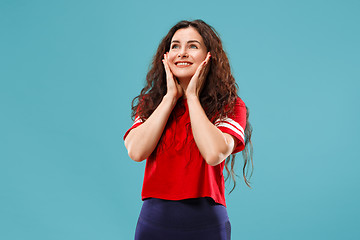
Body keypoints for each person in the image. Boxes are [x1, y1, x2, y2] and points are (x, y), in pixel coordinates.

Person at [123, 19, 253, 240]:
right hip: (153, 222)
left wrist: (192, 97)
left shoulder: (231, 105)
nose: (182, 53)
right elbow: (136, 151)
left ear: (208, 56)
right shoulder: (151, 103)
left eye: (193, 46)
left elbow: (214, 154)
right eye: (175, 46)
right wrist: (169, 99)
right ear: (166, 56)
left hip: (207, 224)